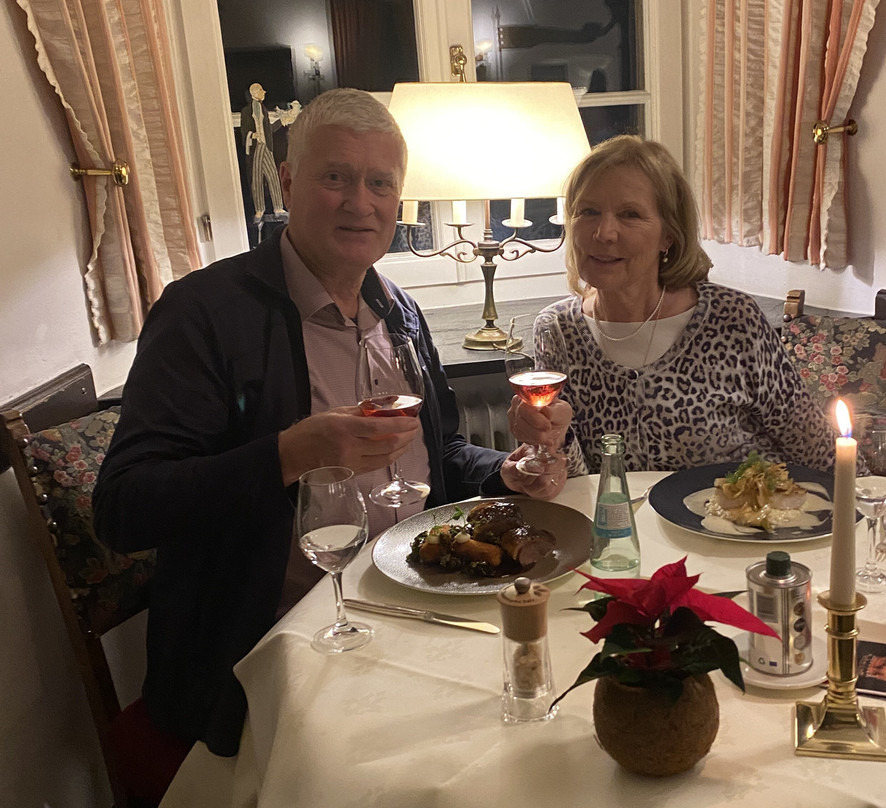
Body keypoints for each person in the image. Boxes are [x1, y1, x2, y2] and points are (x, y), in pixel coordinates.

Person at [93, 88, 564, 758]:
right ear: (288, 184)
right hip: (272, 647)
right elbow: (123, 509)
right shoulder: (203, 314)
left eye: (380, 183)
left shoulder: (399, 310)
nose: (360, 203)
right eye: (336, 177)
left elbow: (444, 453)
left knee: (539, 713)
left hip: (417, 608)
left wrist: (507, 471)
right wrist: (288, 454)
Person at [509, 134, 835, 476]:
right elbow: (577, 481)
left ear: (669, 235)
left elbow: (818, 451)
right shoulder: (558, 329)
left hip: (743, 509)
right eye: (588, 211)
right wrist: (553, 442)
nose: (604, 233)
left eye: (630, 214)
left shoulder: (733, 320)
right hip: (615, 513)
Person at [240, 82, 286, 219]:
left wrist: (282, 120)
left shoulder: (263, 109)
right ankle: (259, 209)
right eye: (261, 90)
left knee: (272, 175)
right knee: (256, 178)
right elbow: (244, 131)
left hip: (265, 146)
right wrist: (252, 135)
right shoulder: (246, 111)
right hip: (256, 147)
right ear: (254, 93)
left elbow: (268, 129)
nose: (263, 92)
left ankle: (278, 207)